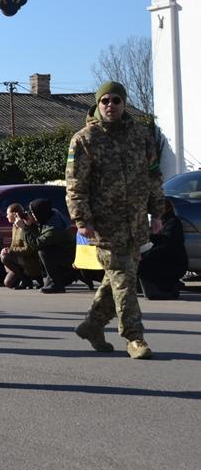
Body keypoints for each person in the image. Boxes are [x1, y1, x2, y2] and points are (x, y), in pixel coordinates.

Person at [66, 81, 165, 359]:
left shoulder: (142, 136)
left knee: (120, 278)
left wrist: (157, 212)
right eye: (105, 101)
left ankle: (92, 325)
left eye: (116, 101)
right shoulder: (84, 139)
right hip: (105, 225)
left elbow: (153, 176)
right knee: (123, 279)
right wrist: (82, 219)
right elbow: (75, 185)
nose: (111, 106)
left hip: (135, 223)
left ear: (124, 103)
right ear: (97, 105)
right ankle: (134, 337)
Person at [137, 198, 187, 300]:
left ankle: (165, 289)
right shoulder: (163, 222)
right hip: (165, 258)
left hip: (173, 262)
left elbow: (166, 244)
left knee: (143, 264)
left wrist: (145, 255)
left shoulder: (173, 222)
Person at [24, 198, 76, 293]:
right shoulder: (51, 215)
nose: (33, 215)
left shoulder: (54, 228)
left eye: (34, 213)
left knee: (43, 251)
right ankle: (57, 280)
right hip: (63, 252)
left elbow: (36, 244)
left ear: (41, 212)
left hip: (70, 257)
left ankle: (56, 285)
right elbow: (41, 234)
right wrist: (31, 225)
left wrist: (26, 228)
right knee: (47, 283)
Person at [0, 204, 43, 289]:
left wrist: (11, 251)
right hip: (20, 259)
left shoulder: (26, 225)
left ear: (15, 214)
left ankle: (27, 279)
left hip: (30, 261)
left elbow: (29, 249)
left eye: (8, 213)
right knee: (8, 283)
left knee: (5, 257)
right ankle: (25, 278)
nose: (6, 216)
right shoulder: (14, 227)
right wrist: (7, 249)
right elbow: (14, 245)